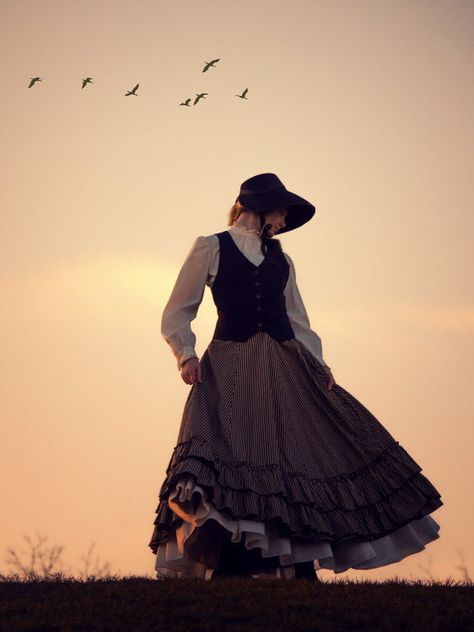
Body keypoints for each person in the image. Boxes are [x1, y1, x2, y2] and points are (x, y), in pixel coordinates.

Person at [148, 172, 443, 580]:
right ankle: (234, 561)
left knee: (296, 457)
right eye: (282, 209)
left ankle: (297, 561)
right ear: (259, 206)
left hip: (286, 368)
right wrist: (186, 354)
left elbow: (298, 321)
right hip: (233, 365)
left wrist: (319, 366)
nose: (285, 219)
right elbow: (179, 308)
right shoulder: (211, 247)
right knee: (237, 457)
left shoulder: (281, 261)